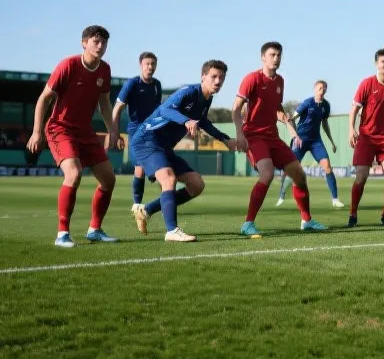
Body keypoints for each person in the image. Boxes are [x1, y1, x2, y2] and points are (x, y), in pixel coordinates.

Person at [26, 25, 122, 248]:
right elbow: (44, 99)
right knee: (74, 173)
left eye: (104, 43)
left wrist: (113, 131)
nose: (100, 46)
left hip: (85, 130)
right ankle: (62, 234)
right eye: (96, 41)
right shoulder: (68, 65)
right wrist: (37, 131)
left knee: (109, 179)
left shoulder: (105, 70)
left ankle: (95, 230)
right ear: (84, 43)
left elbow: (105, 103)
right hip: (60, 129)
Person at [131, 60, 241, 242]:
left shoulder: (206, 100)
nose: (217, 81)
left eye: (221, 77)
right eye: (213, 76)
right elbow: (165, 109)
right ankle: (172, 230)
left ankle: (146, 210)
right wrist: (186, 120)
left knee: (197, 184)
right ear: (203, 77)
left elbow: (203, 122)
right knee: (169, 178)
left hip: (164, 147)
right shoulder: (188, 91)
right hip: (147, 140)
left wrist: (225, 139)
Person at [232, 42, 327, 237]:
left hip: (272, 137)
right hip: (254, 136)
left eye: (278, 55)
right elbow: (235, 109)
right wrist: (240, 134)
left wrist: (291, 129)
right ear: (263, 58)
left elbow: (277, 108)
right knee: (267, 174)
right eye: (272, 55)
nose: (276, 58)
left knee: (299, 176)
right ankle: (247, 223)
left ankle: (307, 221)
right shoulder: (251, 79)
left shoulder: (280, 81)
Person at [347, 48, 384, 227]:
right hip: (366, 137)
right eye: (382, 62)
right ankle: (352, 214)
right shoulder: (367, 84)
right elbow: (354, 110)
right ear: (376, 64)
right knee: (361, 177)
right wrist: (351, 130)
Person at [276, 80, 344, 209]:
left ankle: (335, 199)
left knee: (327, 167)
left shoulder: (326, 106)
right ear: (314, 89)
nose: (322, 90)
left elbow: (325, 124)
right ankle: (281, 195)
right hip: (300, 140)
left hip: (315, 141)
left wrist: (332, 141)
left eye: (324, 88)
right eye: (319, 87)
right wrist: (290, 120)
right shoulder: (308, 102)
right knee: (291, 169)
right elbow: (296, 115)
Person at [112, 51, 162, 212]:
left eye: (153, 64)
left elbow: (158, 111)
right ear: (141, 65)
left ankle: (165, 203)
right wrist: (115, 132)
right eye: (147, 64)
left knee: (162, 168)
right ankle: (137, 204)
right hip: (136, 132)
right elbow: (117, 108)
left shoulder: (157, 85)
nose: (150, 67)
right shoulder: (132, 84)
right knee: (139, 167)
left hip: (153, 131)